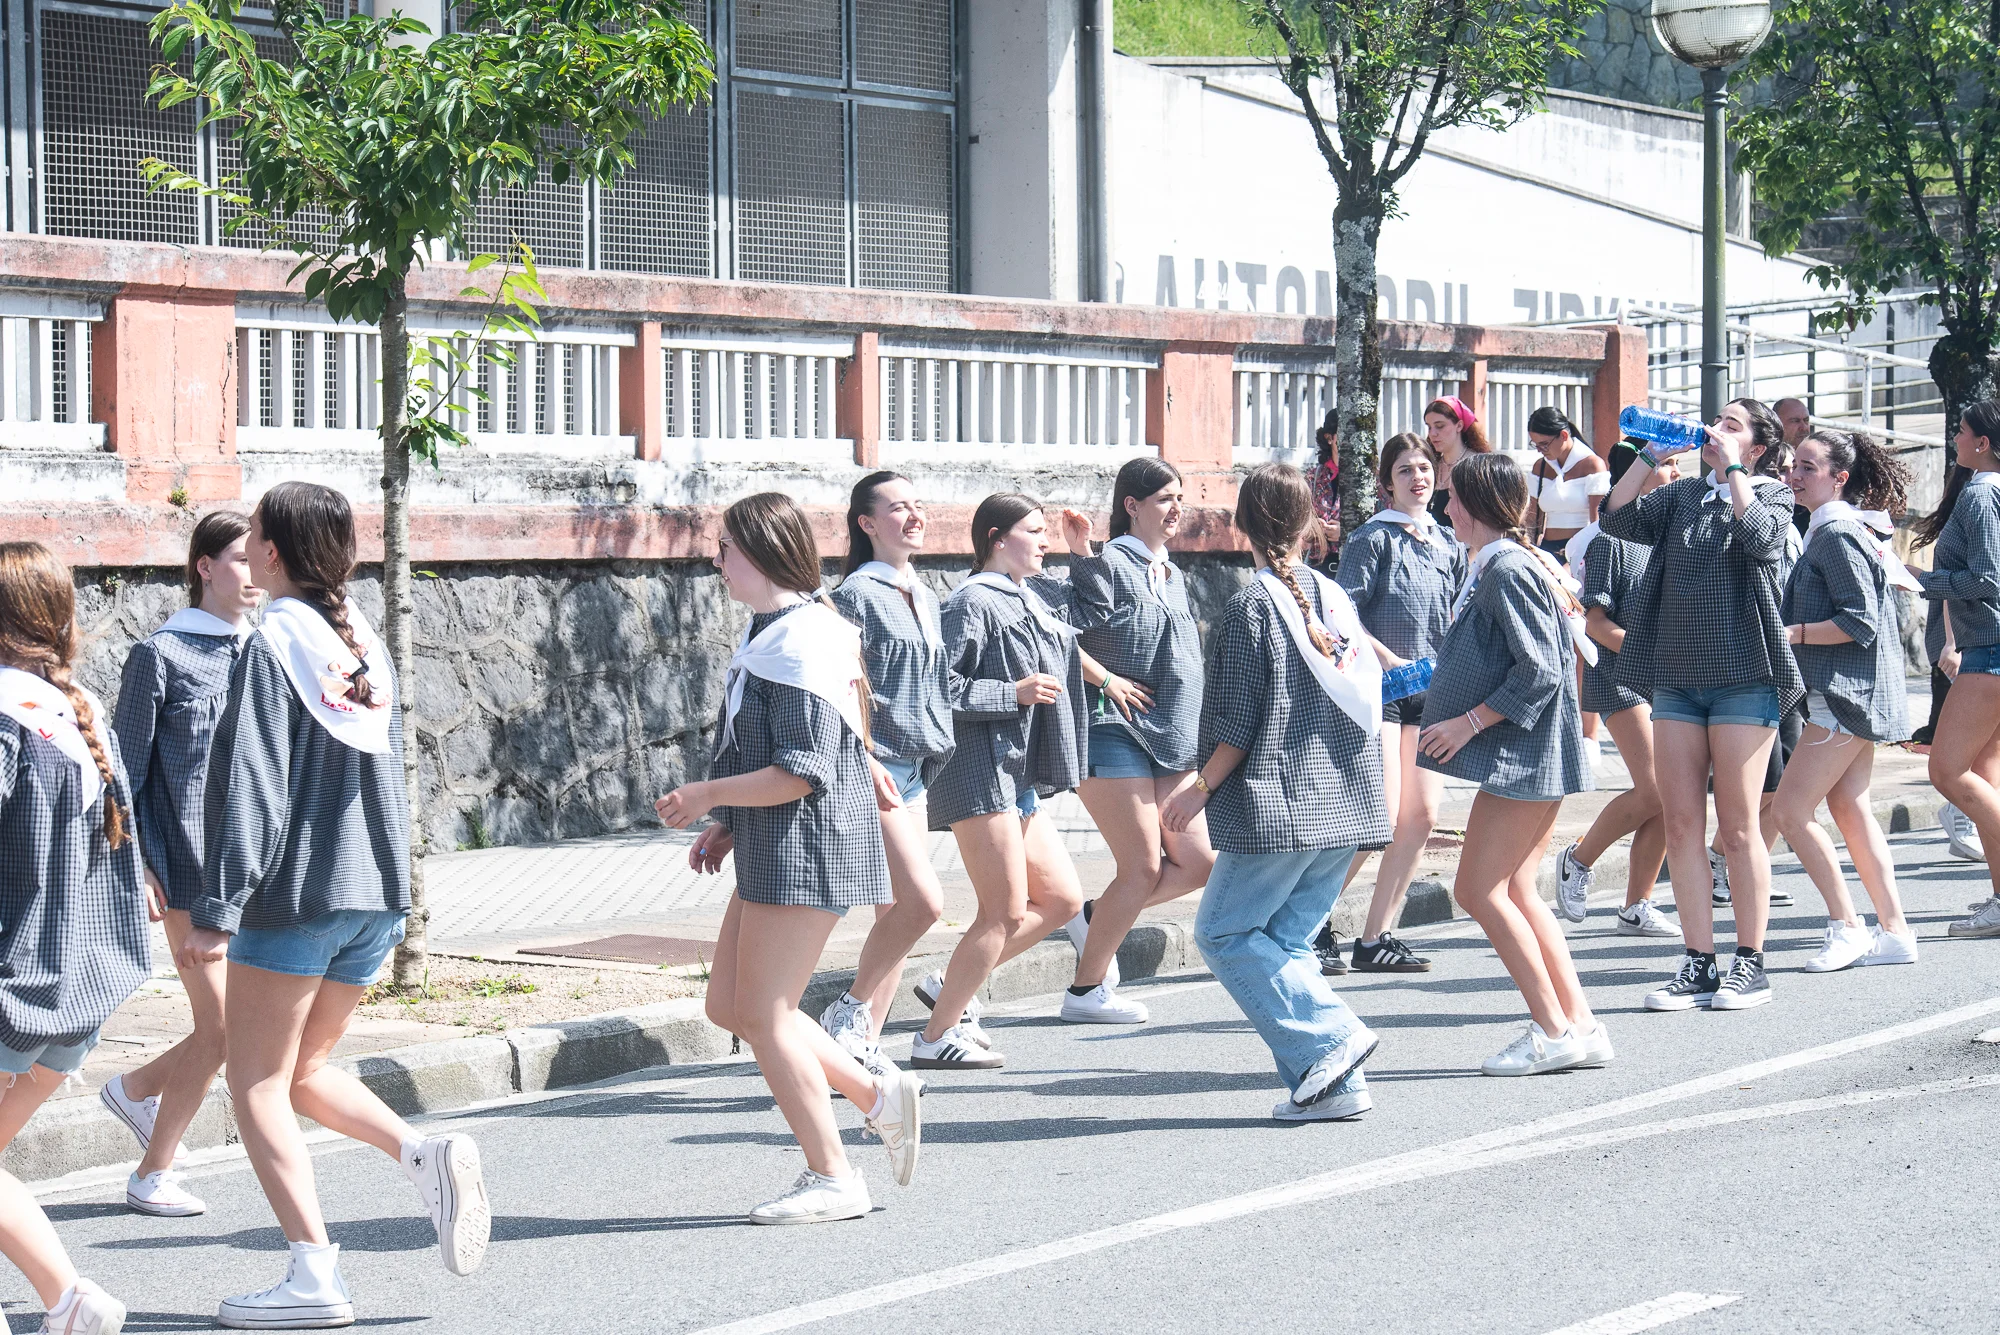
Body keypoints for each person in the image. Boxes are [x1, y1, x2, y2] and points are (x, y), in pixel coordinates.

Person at [184, 481, 488, 1326]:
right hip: (375, 894)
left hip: (299, 897)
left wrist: (217, 905)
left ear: (272, 552)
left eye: (253, 534)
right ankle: (423, 1154)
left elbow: (253, 785)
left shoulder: (274, 644)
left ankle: (314, 1273)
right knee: (301, 1071)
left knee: (254, 1083)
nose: (248, 546)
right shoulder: (360, 641)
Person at [659, 492, 923, 1224]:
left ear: (761, 552)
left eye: (725, 549)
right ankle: (875, 1094)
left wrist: (709, 794)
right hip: (779, 841)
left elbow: (805, 768)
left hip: (808, 845)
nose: (717, 562)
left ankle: (834, 1174)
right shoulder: (779, 630)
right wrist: (731, 823)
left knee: (767, 1015)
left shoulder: (799, 639)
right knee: (729, 1005)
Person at [1162, 463, 1388, 1120]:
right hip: (1348, 800)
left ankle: (1333, 1035)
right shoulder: (1332, 597)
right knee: (1286, 944)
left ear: (1241, 525)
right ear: (1310, 522)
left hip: (1281, 805)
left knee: (1224, 933)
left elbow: (1236, 723)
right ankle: (1333, 1084)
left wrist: (1198, 789)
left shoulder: (1250, 606)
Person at [1599, 398, 1803, 1012]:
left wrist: (1734, 467)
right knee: (1682, 823)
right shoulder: (1683, 493)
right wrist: (1649, 455)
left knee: (1737, 828)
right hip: (1676, 678)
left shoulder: (1772, 493)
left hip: (1745, 677)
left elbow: (1760, 541)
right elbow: (1615, 519)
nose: (1715, 431)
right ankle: (1698, 962)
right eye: (1717, 422)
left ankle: (1751, 963)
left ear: (1757, 448)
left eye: (1731, 426)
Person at [1416, 455, 1609, 1075]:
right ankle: (1580, 1026)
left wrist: (1467, 723)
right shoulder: (1502, 563)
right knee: (1520, 890)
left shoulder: (1506, 568)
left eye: (1453, 498)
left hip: (1526, 758)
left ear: (1475, 505)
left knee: (1477, 890)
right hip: (1535, 755)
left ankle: (1552, 1030)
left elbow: (1542, 669)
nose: (1446, 507)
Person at [0, 542, 149, 1335]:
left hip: (15, 986)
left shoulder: (6, 717)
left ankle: (70, 1298)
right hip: (79, 996)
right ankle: (67, 1303)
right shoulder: (79, 710)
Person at [104, 511, 259, 1219]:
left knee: (236, 1028)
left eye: (262, 557)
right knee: (223, 1029)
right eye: (242, 557)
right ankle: (152, 1172)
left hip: (252, 873)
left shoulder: (266, 651)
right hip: (185, 872)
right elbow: (124, 774)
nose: (255, 572)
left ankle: (135, 1089)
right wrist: (136, 866)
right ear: (204, 566)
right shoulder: (159, 656)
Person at [912, 494, 1094, 1068]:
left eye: (1044, 532)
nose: (1045, 541)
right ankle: (935, 1037)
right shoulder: (971, 601)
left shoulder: (1029, 594)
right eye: (1034, 531)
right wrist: (1010, 693)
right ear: (997, 538)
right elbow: (938, 690)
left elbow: (1096, 614)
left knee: (1063, 901)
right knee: (1004, 912)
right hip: (978, 773)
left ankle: (953, 986)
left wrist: (1084, 553)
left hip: (1016, 775)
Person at [1055, 458, 1216, 1024]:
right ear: (1132, 505)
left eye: (1181, 497)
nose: (1177, 508)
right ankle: (1086, 991)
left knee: (1198, 862)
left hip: (1173, 733)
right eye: (1166, 498)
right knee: (1143, 866)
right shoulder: (1105, 564)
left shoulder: (1171, 573)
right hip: (1111, 728)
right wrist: (1106, 679)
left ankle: (1093, 917)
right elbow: (1052, 634)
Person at [818, 473, 952, 1062]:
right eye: (899, 508)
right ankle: (847, 1011)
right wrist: (865, 758)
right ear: (867, 523)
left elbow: (940, 685)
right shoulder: (855, 597)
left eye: (918, 505)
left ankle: (863, 1043)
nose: (914, 516)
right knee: (922, 903)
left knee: (897, 910)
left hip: (917, 770)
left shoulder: (923, 594)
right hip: (879, 769)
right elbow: (840, 687)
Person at [1774, 428, 1919, 970]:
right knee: (1850, 809)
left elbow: (1859, 622)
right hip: (1850, 695)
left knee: (1790, 811)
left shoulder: (1836, 533)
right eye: (1794, 465)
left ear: (1839, 478)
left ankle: (1847, 926)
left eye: (1808, 468)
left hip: (1844, 698)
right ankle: (1894, 932)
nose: (1794, 475)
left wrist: (1794, 633)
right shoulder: (1834, 528)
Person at [1327, 432, 1464, 972]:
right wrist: (1386, 659)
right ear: (1387, 483)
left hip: (1432, 694)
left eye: (1424, 467)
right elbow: (1341, 614)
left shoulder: (1448, 541)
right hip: (1381, 692)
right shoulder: (1372, 539)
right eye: (1405, 470)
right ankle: (1309, 924)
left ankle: (1375, 938)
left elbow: (1460, 615)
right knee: (1380, 817)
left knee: (1422, 817)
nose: (1417, 477)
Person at [1556, 460, 1680, 939]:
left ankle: (1636, 906)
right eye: (1666, 464)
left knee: (1671, 795)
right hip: (1620, 676)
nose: (1676, 472)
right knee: (1657, 788)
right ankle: (1579, 858)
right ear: (1637, 475)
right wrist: (1650, 653)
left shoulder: (1670, 532)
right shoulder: (1609, 540)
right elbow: (1594, 623)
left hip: (1666, 678)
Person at [1918, 401, 2000, 940]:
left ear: (1983, 443)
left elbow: (1989, 579)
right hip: (1987, 648)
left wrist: (1920, 580)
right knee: (1986, 776)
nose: (1955, 438)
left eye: (1962, 431)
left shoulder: (1981, 493)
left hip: (1989, 649)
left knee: (1946, 771)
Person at [1911, 461, 1986, 860]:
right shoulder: (1977, 504)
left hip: (1978, 647)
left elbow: (1980, 580)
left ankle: (1964, 815)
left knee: (1968, 759)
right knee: (1965, 761)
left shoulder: (1981, 501)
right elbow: (1962, 584)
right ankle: (1962, 815)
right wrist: (1952, 644)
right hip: (1970, 646)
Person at [1524, 406, 1609, 563]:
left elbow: (1597, 522)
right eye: (1535, 445)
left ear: (1563, 435)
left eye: (1544, 444)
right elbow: (1531, 517)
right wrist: (1528, 549)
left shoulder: (1592, 465)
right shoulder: (1540, 467)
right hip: (1546, 551)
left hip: (1581, 552)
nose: (1540, 450)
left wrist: (1583, 559)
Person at [1424, 394, 1492, 529]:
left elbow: (1485, 519)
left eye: (1440, 426)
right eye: (1429, 427)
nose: (1433, 433)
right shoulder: (1429, 466)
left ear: (1459, 425)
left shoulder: (1478, 466)